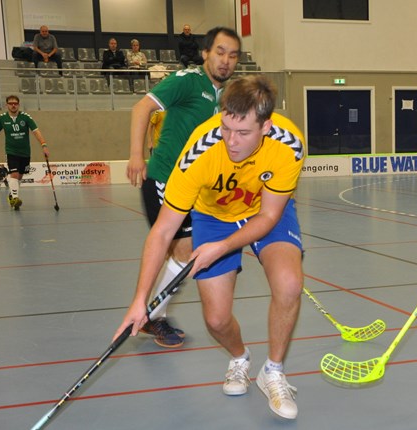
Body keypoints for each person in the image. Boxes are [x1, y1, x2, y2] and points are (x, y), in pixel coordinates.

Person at [115, 75, 306, 419]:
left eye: (243, 133)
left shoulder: (288, 143)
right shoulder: (200, 151)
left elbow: (269, 216)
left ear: (266, 125)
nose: (231, 141)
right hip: (213, 216)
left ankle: (273, 372)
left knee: (290, 284)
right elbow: (162, 233)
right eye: (226, 128)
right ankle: (240, 359)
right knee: (216, 320)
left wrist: (222, 248)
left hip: (263, 209)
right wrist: (139, 301)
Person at [124, 27, 241, 348]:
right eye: (219, 52)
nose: (225, 60)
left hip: (194, 188)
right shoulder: (188, 80)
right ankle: (152, 315)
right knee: (183, 251)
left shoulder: (227, 96)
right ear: (205, 53)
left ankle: (152, 314)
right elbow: (141, 108)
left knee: (181, 254)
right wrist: (136, 156)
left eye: (232, 55)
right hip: (163, 179)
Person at [0, 95, 50, 211]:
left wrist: (44, 145)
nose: (13, 105)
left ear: (18, 105)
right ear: (7, 105)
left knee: (19, 176)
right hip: (11, 151)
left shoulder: (26, 117)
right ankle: (15, 198)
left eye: (15, 103)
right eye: (11, 103)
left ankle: (11, 195)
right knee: (14, 174)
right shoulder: (2, 119)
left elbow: (36, 131)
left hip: (25, 152)